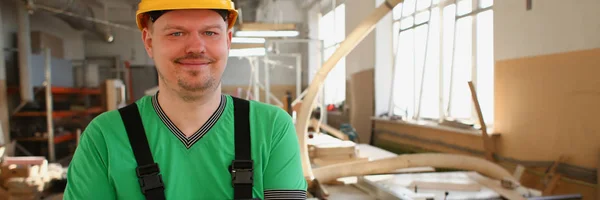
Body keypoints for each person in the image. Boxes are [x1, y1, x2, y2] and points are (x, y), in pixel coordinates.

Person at [63, 0, 308, 199]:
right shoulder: (105, 136)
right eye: (176, 33)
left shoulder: (272, 127)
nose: (196, 46)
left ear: (228, 41)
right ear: (149, 42)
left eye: (210, 32)